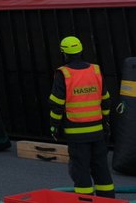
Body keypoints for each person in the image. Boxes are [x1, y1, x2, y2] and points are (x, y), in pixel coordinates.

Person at [48, 36, 115, 198]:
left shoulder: (63, 74)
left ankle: (84, 200)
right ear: (81, 50)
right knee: (101, 168)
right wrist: (106, 122)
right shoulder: (95, 70)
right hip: (98, 131)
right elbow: (105, 99)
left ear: (64, 53)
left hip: (76, 133)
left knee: (81, 170)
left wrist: (53, 126)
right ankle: (108, 201)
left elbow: (57, 104)